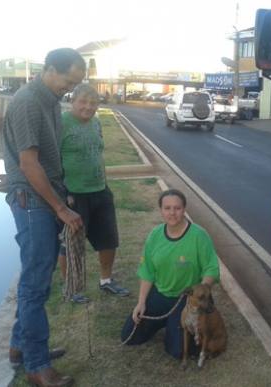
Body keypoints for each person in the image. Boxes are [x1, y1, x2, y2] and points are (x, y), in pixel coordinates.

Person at [3, 48, 86, 387]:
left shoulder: (50, 100)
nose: (69, 89)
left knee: (37, 279)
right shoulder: (28, 101)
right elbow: (28, 163)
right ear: (50, 69)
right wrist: (61, 208)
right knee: (35, 285)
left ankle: (19, 347)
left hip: (41, 198)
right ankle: (37, 365)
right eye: (68, 81)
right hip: (34, 203)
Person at [120, 189, 220, 359]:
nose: (172, 213)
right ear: (161, 210)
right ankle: (168, 321)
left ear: (184, 209)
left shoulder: (199, 235)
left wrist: (200, 295)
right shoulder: (155, 235)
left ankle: (183, 325)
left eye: (177, 208)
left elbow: (211, 269)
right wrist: (141, 302)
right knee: (130, 336)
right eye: (167, 208)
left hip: (186, 299)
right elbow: (147, 272)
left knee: (178, 351)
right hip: (160, 294)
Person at [57, 83, 129, 303]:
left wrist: (105, 184)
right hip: (74, 194)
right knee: (70, 244)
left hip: (100, 191)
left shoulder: (97, 123)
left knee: (109, 240)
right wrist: (63, 193)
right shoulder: (60, 124)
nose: (88, 107)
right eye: (83, 102)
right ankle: (71, 288)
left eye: (93, 103)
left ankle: (106, 281)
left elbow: (99, 154)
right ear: (73, 101)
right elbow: (52, 161)